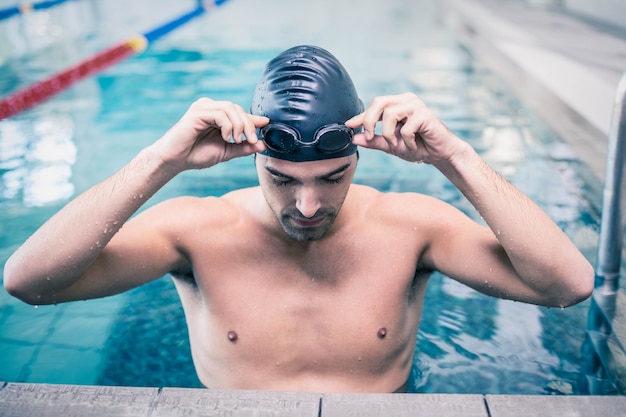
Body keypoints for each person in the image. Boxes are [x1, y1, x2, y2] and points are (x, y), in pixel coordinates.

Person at [3, 45, 594, 393]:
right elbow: (28, 283)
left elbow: (567, 287)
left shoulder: (413, 227)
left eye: (332, 178)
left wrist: (455, 157)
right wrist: (161, 161)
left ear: (358, 157)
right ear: (256, 161)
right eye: (283, 181)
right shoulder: (195, 232)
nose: (308, 207)